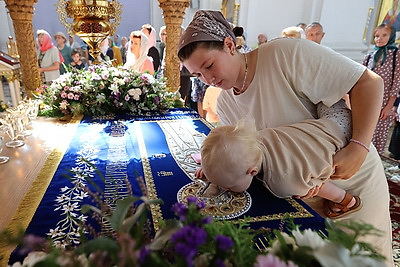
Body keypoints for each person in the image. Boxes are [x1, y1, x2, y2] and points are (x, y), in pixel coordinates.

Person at [178, 10, 393, 265]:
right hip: (305, 195)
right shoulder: (226, 104)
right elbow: (250, 154)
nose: (209, 80)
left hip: (352, 176)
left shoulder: (283, 54)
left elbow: (368, 82)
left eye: (209, 66)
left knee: (362, 258)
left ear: (228, 45)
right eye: (198, 76)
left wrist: (358, 147)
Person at [201, 100, 362, 219]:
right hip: (333, 117)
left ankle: (346, 200)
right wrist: (215, 171)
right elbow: (227, 156)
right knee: (324, 95)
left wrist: (311, 185)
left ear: (253, 171)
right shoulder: (252, 140)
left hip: (344, 134)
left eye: (228, 186)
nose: (225, 189)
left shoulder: (281, 184)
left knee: (314, 186)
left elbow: (313, 184)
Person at [363, 23, 400, 155]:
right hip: (368, 100)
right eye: (377, 36)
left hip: (385, 102)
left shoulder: (396, 55)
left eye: (384, 35)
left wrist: (389, 106)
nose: (380, 39)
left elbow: (396, 83)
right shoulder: (370, 56)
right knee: (364, 132)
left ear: (391, 37)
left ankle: (374, 162)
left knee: (379, 134)